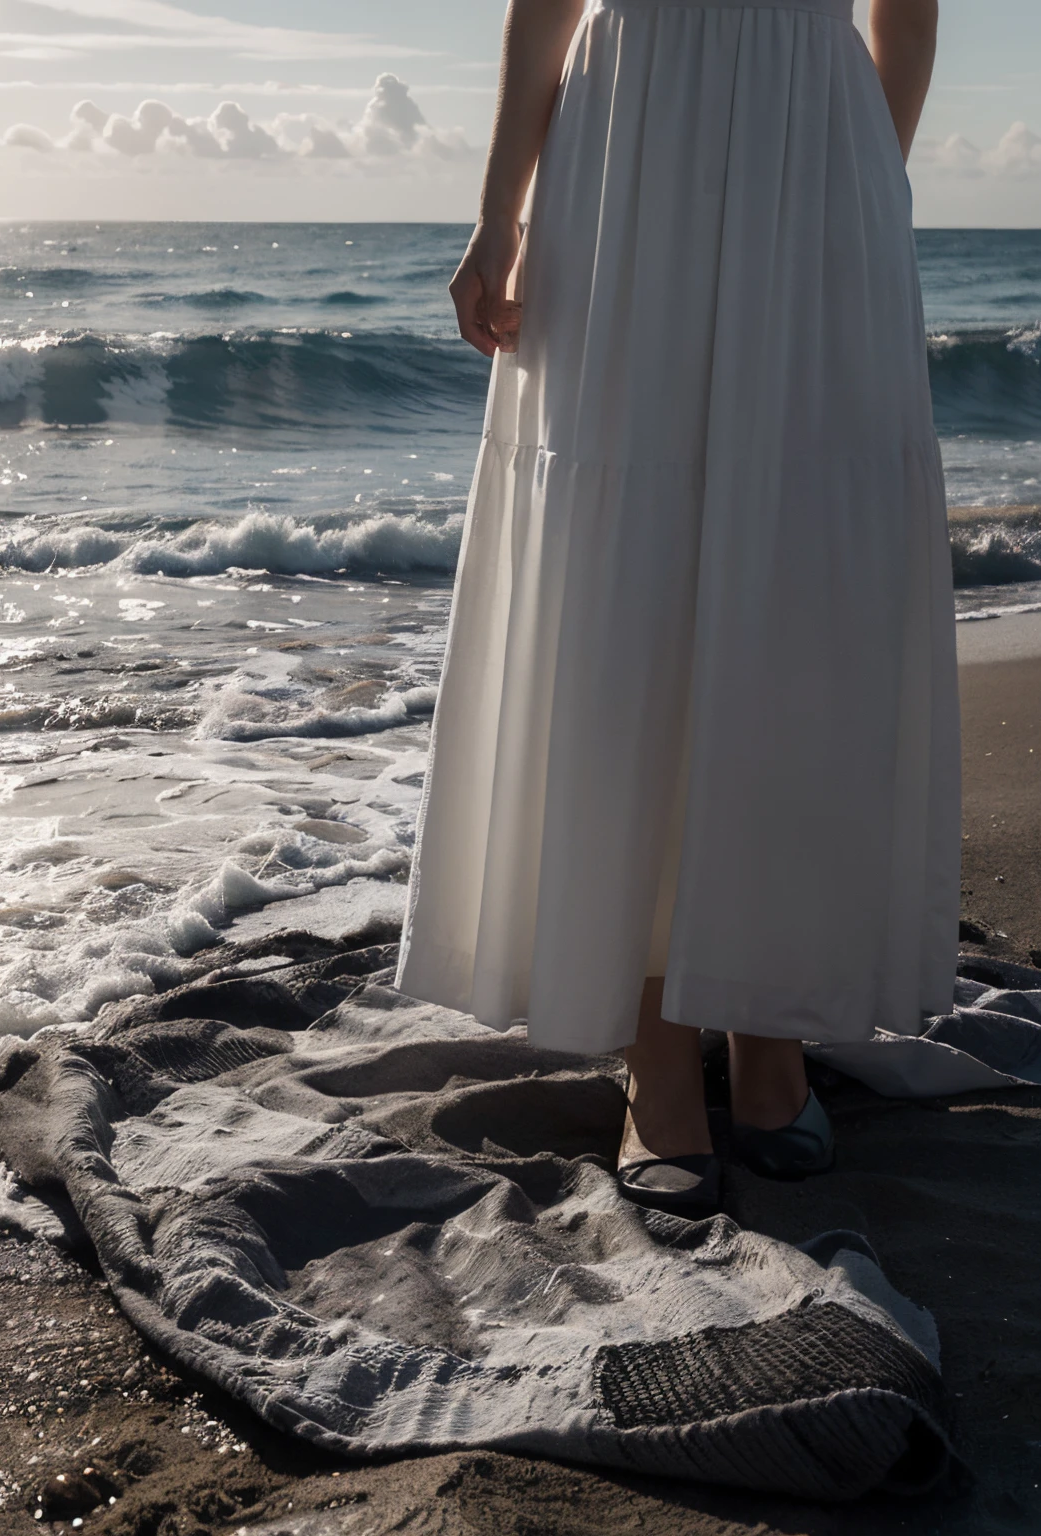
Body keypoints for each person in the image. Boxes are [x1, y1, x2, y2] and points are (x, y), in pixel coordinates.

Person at [396, 0, 958, 1218]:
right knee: (662, 585)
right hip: (644, 139)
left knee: (779, 588)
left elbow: (903, 7)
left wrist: (854, 179)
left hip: (797, 137)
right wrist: (499, 213)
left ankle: (767, 1020)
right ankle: (660, 1049)